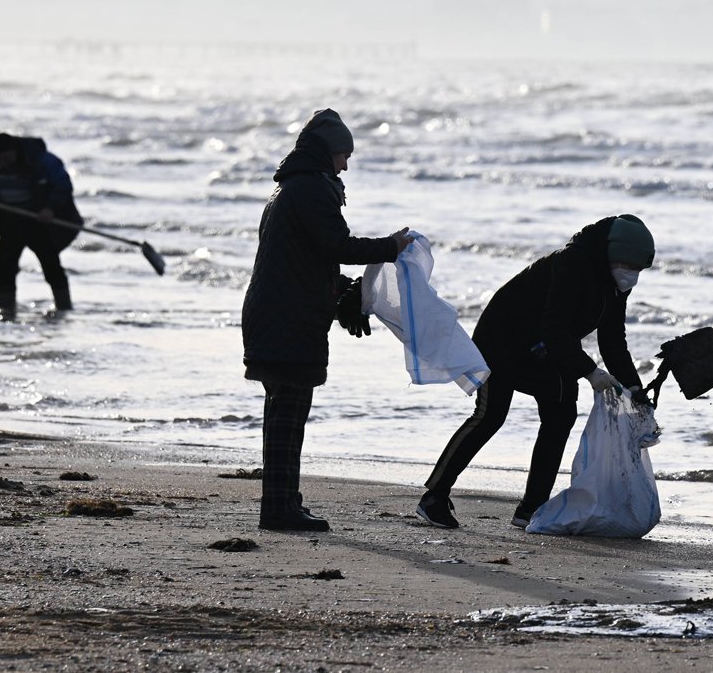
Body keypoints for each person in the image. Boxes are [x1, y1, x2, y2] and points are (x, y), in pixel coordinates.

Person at [416, 215, 656, 530]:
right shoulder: (572, 264)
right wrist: (589, 371)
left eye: (638, 271)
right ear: (613, 255)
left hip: (547, 349)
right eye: (630, 266)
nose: (632, 276)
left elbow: (612, 341)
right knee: (491, 415)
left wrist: (635, 390)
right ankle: (433, 496)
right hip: (501, 341)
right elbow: (554, 327)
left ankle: (531, 508)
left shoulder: (614, 283)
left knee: (561, 414)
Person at [242, 109, 413, 533]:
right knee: (288, 416)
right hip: (287, 321)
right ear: (326, 152)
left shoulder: (291, 190)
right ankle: (279, 509)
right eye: (342, 155)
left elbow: (306, 259)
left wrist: (343, 292)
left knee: (284, 414)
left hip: (279, 315)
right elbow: (337, 245)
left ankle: (283, 502)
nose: (346, 165)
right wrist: (390, 247)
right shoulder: (309, 190)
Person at [0, 133, 82, 318]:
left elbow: (63, 186)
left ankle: (64, 308)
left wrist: (50, 208)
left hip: (38, 223)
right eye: (1, 159)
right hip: (9, 223)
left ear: (16, 152)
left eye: (7, 158)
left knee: (52, 267)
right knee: (5, 270)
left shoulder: (42, 161)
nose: (4, 163)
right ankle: (6, 310)